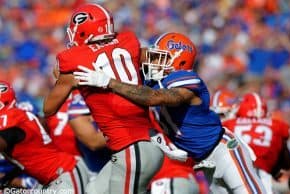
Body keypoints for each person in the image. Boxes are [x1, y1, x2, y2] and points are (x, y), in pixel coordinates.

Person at [73, 32, 266, 193]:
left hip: (224, 151)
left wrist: (110, 82)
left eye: (159, 57)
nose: (152, 61)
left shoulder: (187, 80)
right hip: (202, 162)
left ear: (179, 62)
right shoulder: (152, 83)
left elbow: (154, 97)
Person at [43, 3, 164, 194]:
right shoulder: (129, 40)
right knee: (93, 191)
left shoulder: (73, 59)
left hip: (132, 149)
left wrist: (67, 81)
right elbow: (157, 60)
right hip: (146, 143)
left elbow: (48, 108)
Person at [0, 81, 90, 193]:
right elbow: (29, 155)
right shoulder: (17, 115)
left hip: (64, 173)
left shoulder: (10, 117)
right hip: (50, 179)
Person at [222, 92, 290, 193]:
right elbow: (286, 163)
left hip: (234, 174)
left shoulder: (229, 124)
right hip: (264, 176)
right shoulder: (277, 125)